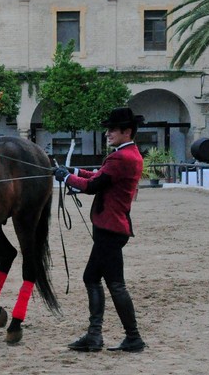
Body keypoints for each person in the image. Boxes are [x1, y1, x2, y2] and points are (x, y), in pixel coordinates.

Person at [53, 107, 146, 353]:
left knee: (115, 284)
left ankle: (130, 337)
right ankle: (97, 335)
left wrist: (65, 178)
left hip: (109, 227)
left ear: (127, 131)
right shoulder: (129, 154)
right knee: (93, 277)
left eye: (113, 129)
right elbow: (101, 176)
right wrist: (72, 172)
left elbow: (94, 185)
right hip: (113, 226)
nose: (108, 133)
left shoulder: (120, 157)